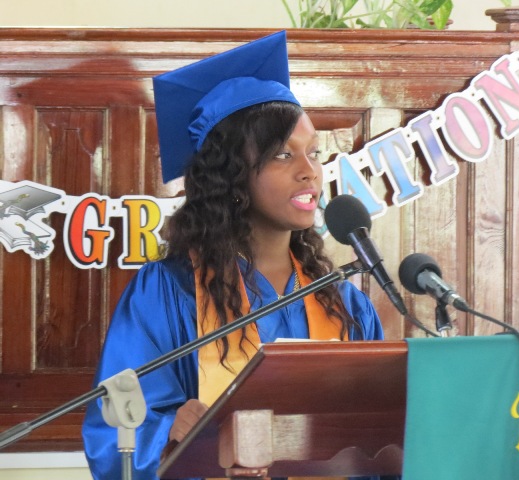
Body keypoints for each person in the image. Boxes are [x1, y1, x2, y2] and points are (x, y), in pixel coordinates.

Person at [82, 31, 395, 480]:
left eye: (314, 152)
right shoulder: (166, 293)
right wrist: (173, 429)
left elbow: (380, 443)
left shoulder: (343, 303)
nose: (310, 171)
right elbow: (115, 433)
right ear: (232, 179)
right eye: (284, 154)